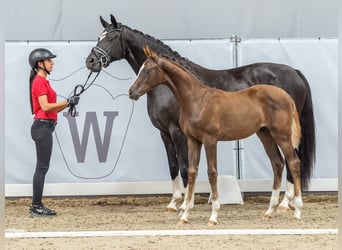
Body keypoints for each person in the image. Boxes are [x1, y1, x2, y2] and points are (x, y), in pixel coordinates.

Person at [28, 48, 80, 217]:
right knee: (42, 167)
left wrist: (68, 104)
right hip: (42, 128)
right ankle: (36, 206)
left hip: (45, 126)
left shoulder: (43, 82)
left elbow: (51, 110)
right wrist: (66, 101)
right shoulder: (40, 82)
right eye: (49, 60)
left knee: (42, 167)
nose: (52, 63)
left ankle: (36, 205)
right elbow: (45, 107)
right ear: (40, 64)